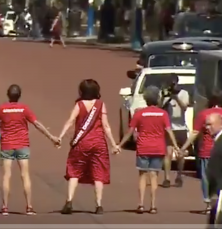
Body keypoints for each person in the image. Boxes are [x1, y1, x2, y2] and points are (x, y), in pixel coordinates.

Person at [0, 84, 59, 215]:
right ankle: (29, 207)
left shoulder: (2, 109)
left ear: (8, 94)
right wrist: (51, 137)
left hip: (7, 145)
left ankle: (5, 207)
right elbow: (37, 124)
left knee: (7, 176)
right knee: (25, 175)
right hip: (22, 145)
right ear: (19, 95)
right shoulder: (24, 109)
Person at [57, 79, 119, 214]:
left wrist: (60, 137)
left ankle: (69, 201)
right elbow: (106, 126)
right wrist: (114, 144)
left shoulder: (79, 105)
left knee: (74, 171)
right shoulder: (101, 105)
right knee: (98, 173)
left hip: (81, 143)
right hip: (99, 144)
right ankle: (99, 205)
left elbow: (70, 121)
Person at [116, 86, 180, 214]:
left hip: (143, 147)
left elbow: (130, 131)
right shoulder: (163, 114)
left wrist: (120, 145)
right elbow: (169, 131)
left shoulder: (140, 113)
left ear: (145, 99)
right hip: (158, 148)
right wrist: (176, 146)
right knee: (154, 176)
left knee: (142, 176)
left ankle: (140, 204)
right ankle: (153, 205)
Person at [179, 90, 222, 214]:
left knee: (207, 178)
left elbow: (194, 132)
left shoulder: (204, 114)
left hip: (208, 151)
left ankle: (209, 203)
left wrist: (184, 148)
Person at [159, 74, 190, 188]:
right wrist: (164, 96)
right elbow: (159, 106)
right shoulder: (164, 93)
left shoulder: (184, 93)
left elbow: (184, 107)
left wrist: (176, 97)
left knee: (180, 155)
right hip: (169, 128)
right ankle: (166, 178)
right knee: (168, 153)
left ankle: (179, 175)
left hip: (181, 127)